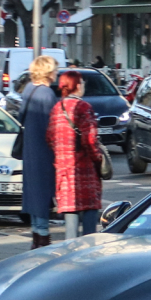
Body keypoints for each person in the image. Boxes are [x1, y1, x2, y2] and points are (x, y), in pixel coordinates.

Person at [47, 69, 102, 239]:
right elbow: (91, 140)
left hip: (64, 174)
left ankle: (70, 259)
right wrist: (98, 159)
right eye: (82, 83)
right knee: (89, 231)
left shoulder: (57, 108)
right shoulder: (84, 107)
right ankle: (87, 261)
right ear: (77, 85)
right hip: (84, 173)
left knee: (70, 228)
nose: (83, 86)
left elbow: (49, 137)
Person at [20, 54, 60, 248]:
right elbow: (52, 126)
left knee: (34, 192)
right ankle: (43, 237)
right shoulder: (47, 94)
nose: (56, 73)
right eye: (54, 70)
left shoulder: (28, 90)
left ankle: (37, 234)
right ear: (48, 72)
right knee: (44, 193)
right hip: (44, 151)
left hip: (30, 148)